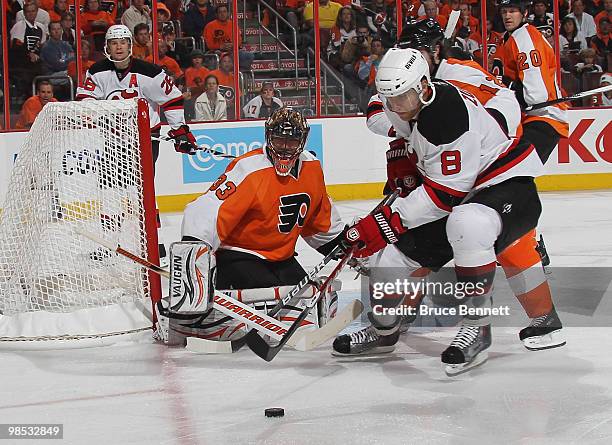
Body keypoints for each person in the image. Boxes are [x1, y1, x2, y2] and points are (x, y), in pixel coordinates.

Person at [358, 19, 563, 358]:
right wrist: (406, 127)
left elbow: (505, 104)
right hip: (448, 177)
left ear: (432, 53)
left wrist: (480, 129)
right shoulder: (402, 82)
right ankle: (389, 324)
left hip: (492, 175)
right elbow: (377, 113)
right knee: (396, 255)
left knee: (497, 238)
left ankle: (536, 319)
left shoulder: (459, 75)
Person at [179, 107, 345, 341]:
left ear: (303, 141)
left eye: (292, 141)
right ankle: (207, 322)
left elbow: (318, 223)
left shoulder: (312, 167)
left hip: (281, 259)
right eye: (279, 140)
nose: (285, 147)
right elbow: (204, 210)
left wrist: (344, 241)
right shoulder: (249, 168)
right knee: (283, 302)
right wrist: (193, 258)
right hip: (239, 257)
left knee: (309, 293)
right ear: (268, 137)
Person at [76, 24, 198, 264]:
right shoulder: (97, 72)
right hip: (113, 141)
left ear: (130, 46)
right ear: (107, 47)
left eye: (123, 42)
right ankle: (109, 242)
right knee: (109, 192)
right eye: (114, 42)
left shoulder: (150, 72)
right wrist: (93, 115)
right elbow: (85, 100)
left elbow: (172, 100)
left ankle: (154, 242)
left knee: (145, 192)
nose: (118, 47)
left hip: (144, 142)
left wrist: (179, 131)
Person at [499, 0, 569, 163]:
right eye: (504, 11)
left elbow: (537, 96)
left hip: (543, 118)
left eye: (512, 11)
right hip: (531, 119)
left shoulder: (525, 38)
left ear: (524, 13)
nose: (507, 16)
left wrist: (516, 97)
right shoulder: (514, 37)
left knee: (514, 174)